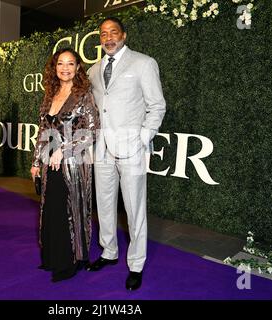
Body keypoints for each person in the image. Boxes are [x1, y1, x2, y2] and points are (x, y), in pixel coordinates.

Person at [85, 17, 166, 291]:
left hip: (132, 148)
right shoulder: (93, 70)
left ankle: (136, 264)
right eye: (103, 33)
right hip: (102, 149)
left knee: (134, 209)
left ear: (124, 35)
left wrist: (142, 139)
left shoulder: (144, 63)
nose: (108, 38)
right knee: (104, 205)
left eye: (114, 32)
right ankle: (108, 252)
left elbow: (157, 106)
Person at [30, 48, 100, 282]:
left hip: (73, 164)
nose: (65, 68)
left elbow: (92, 131)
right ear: (54, 67)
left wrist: (63, 149)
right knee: (52, 209)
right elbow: (43, 130)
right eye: (61, 64)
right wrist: (36, 161)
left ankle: (71, 261)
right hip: (50, 163)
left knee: (70, 210)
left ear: (78, 67)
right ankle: (52, 257)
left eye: (71, 64)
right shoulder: (51, 93)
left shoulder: (83, 94)